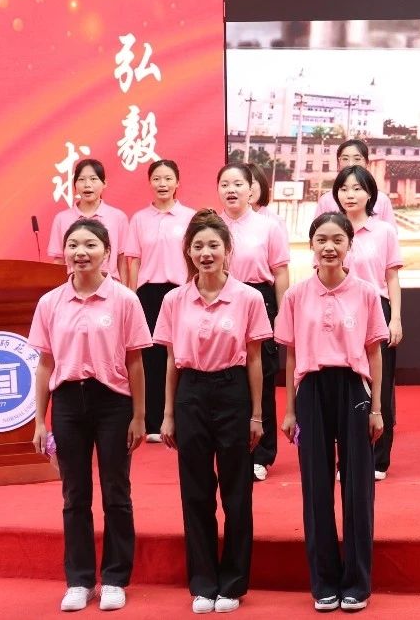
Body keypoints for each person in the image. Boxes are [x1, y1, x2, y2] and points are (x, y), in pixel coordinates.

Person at [29, 218, 150, 613]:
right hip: (67, 402)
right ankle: (79, 580)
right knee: (74, 494)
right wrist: (40, 420)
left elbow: (135, 363)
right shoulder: (50, 303)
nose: (80, 252)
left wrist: (139, 416)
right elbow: (45, 364)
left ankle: (115, 578)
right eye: (73, 245)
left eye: (90, 245)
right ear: (65, 252)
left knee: (116, 491)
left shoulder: (125, 300)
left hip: (113, 402)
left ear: (106, 253)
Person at [155, 210, 272, 614]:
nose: (205, 253)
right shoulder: (173, 300)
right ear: (188, 252)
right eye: (198, 246)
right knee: (196, 491)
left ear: (227, 250)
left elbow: (255, 360)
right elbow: (171, 362)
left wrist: (257, 415)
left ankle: (233, 583)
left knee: (237, 491)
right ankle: (203, 582)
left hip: (232, 391)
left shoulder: (248, 298)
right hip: (190, 394)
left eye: (213, 246)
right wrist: (168, 414)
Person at [278, 213, 387, 613]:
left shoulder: (366, 293)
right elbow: (291, 355)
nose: (329, 247)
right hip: (311, 388)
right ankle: (323, 582)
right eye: (321, 239)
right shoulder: (295, 295)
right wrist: (290, 409)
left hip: (353, 388)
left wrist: (377, 409)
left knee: (358, 486)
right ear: (311, 245)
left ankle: (356, 582)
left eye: (337, 239)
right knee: (315, 487)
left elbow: (375, 352)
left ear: (349, 245)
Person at [218, 162, 290, 481]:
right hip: (221, 299)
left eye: (238, 184)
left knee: (262, 377)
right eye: (224, 184)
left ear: (251, 190)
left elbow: (280, 272)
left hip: (260, 299)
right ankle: (230, 449)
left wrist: (283, 314)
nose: (231, 190)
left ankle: (262, 453)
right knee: (227, 376)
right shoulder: (212, 226)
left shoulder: (268, 227)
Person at [334, 165, 404, 481]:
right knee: (344, 386)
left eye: (357, 188)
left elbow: (392, 278)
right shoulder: (332, 228)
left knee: (379, 385)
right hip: (339, 313)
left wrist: (396, 319)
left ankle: (378, 459)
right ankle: (347, 458)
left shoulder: (384, 231)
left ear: (370, 194)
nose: (350, 195)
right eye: (344, 188)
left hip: (378, 310)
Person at [121, 159, 195, 443]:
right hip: (147, 294)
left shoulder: (189, 217)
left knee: (179, 355)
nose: (162, 184)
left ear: (178, 182)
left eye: (168, 178)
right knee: (150, 358)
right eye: (157, 179)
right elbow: (134, 261)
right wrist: (131, 296)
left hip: (180, 293)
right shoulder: (139, 219)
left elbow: (194, 259)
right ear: (150, 183)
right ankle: (152, 421)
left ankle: (180, 417)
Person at [47, 158, 130, 280]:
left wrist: (125, 289)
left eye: (93, 179)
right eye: (81, 179)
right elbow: (59, 260)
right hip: (74, 284)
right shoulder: (62, 219)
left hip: (109, 284)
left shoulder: (118, 217)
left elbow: (122, 260)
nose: (87, 184)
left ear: (104, 183)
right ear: (75, 184)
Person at [314, 139, 396, 224]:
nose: (351, 164)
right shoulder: (326, 200)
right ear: (338, 162)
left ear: (367, 163)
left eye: (357, 159)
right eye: (345, 159)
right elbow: (317, 230)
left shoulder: (382, 200)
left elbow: (390, 231)